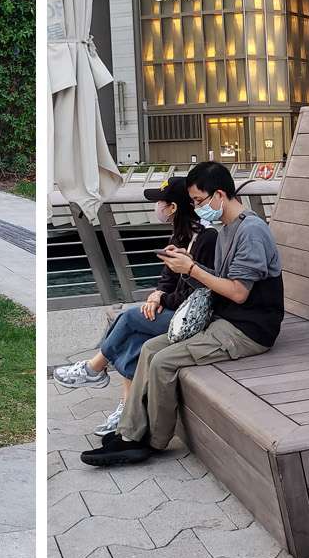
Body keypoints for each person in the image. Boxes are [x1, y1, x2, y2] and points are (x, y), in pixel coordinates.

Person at [80, 162, 283, 467]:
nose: (199, 208)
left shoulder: (251, 231)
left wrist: (191, 269)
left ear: (219, 195)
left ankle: (153, 441)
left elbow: (239, 292)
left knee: (163, 361)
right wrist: (190, 264)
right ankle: (129, 433)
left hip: (249, 330)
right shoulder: (229, 227)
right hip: (224, 319)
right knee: (149, 349)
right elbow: (221, 279)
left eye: (200, 201)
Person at [51, 177, 218, 437]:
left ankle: (95, 368)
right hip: (174, 308)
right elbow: (168, 277)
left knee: (129, 318)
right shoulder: (182, 233)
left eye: (160, 202)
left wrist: (161, 300)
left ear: (173, 207)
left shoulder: (206, 238)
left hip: (191, 318)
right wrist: (157, 294)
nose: (157, 207)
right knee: (135, 337)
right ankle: (125, 408)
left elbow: (196, 290)